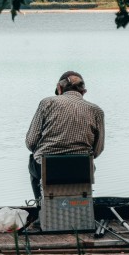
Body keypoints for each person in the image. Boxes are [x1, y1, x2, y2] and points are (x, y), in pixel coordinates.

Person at [25, 70, 105, 203]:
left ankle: (40, 207)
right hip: (82, 169)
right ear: (83, 91)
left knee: (32, 161)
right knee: (87, 164)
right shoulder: (96, 111)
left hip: (48, 169)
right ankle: (79, 206)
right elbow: (97, 150)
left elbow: (31, 142)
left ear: (59, 88)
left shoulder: (47, 103)